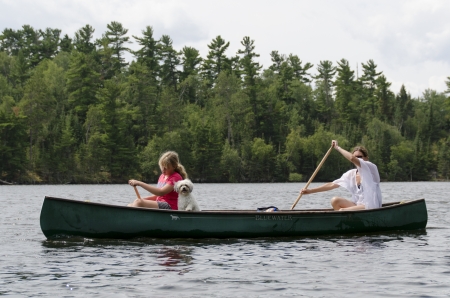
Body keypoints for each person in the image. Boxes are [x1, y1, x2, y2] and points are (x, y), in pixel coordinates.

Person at [300, 140, 382, 211]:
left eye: (360, 157)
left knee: (342, 210)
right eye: (356, 156)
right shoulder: (351, 174)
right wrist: (310, 191)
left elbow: (352, 158)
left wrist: (337, 147)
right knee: (335, 200)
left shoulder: (371, 167)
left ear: (366, 158)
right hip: (358, 205)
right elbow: (332, 184)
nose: (357, 159)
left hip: (370, 206)